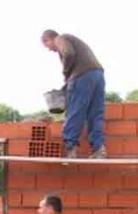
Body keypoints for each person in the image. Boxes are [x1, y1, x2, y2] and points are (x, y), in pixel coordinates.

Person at [41, 30, 106, 159]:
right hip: (98, 75)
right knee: (95, 113)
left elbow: (68, 53)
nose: (49, 49)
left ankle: (70, 148)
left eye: (47, 45)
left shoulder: (60, 38)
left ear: (49, 39)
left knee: (75, 110)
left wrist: (66, 73)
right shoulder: (73, 40)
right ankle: (98, 149)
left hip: (82, 76)